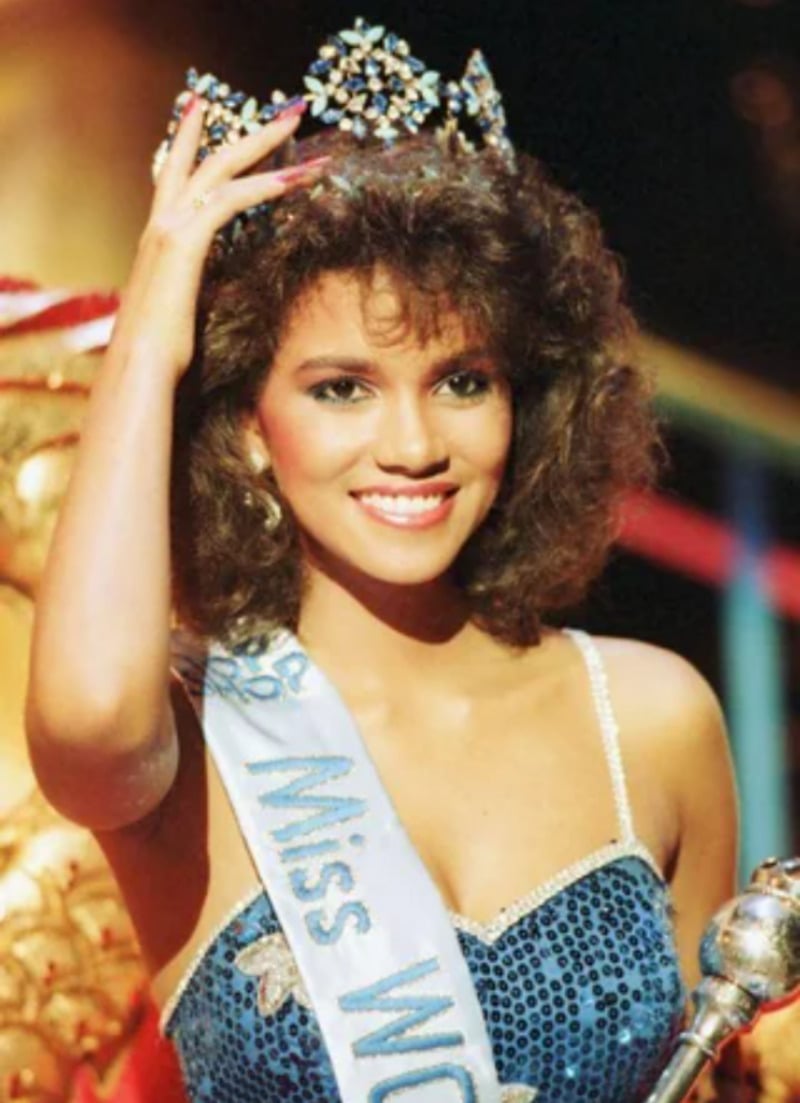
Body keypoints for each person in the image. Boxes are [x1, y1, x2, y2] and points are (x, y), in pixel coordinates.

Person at [25, 19, 739, 1103]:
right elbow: (81, 719)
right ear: (249, 424)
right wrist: (158, 320)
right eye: (340, 387)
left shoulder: (651, 714)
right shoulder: (192, 736)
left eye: (461, 379)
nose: (412, 445)